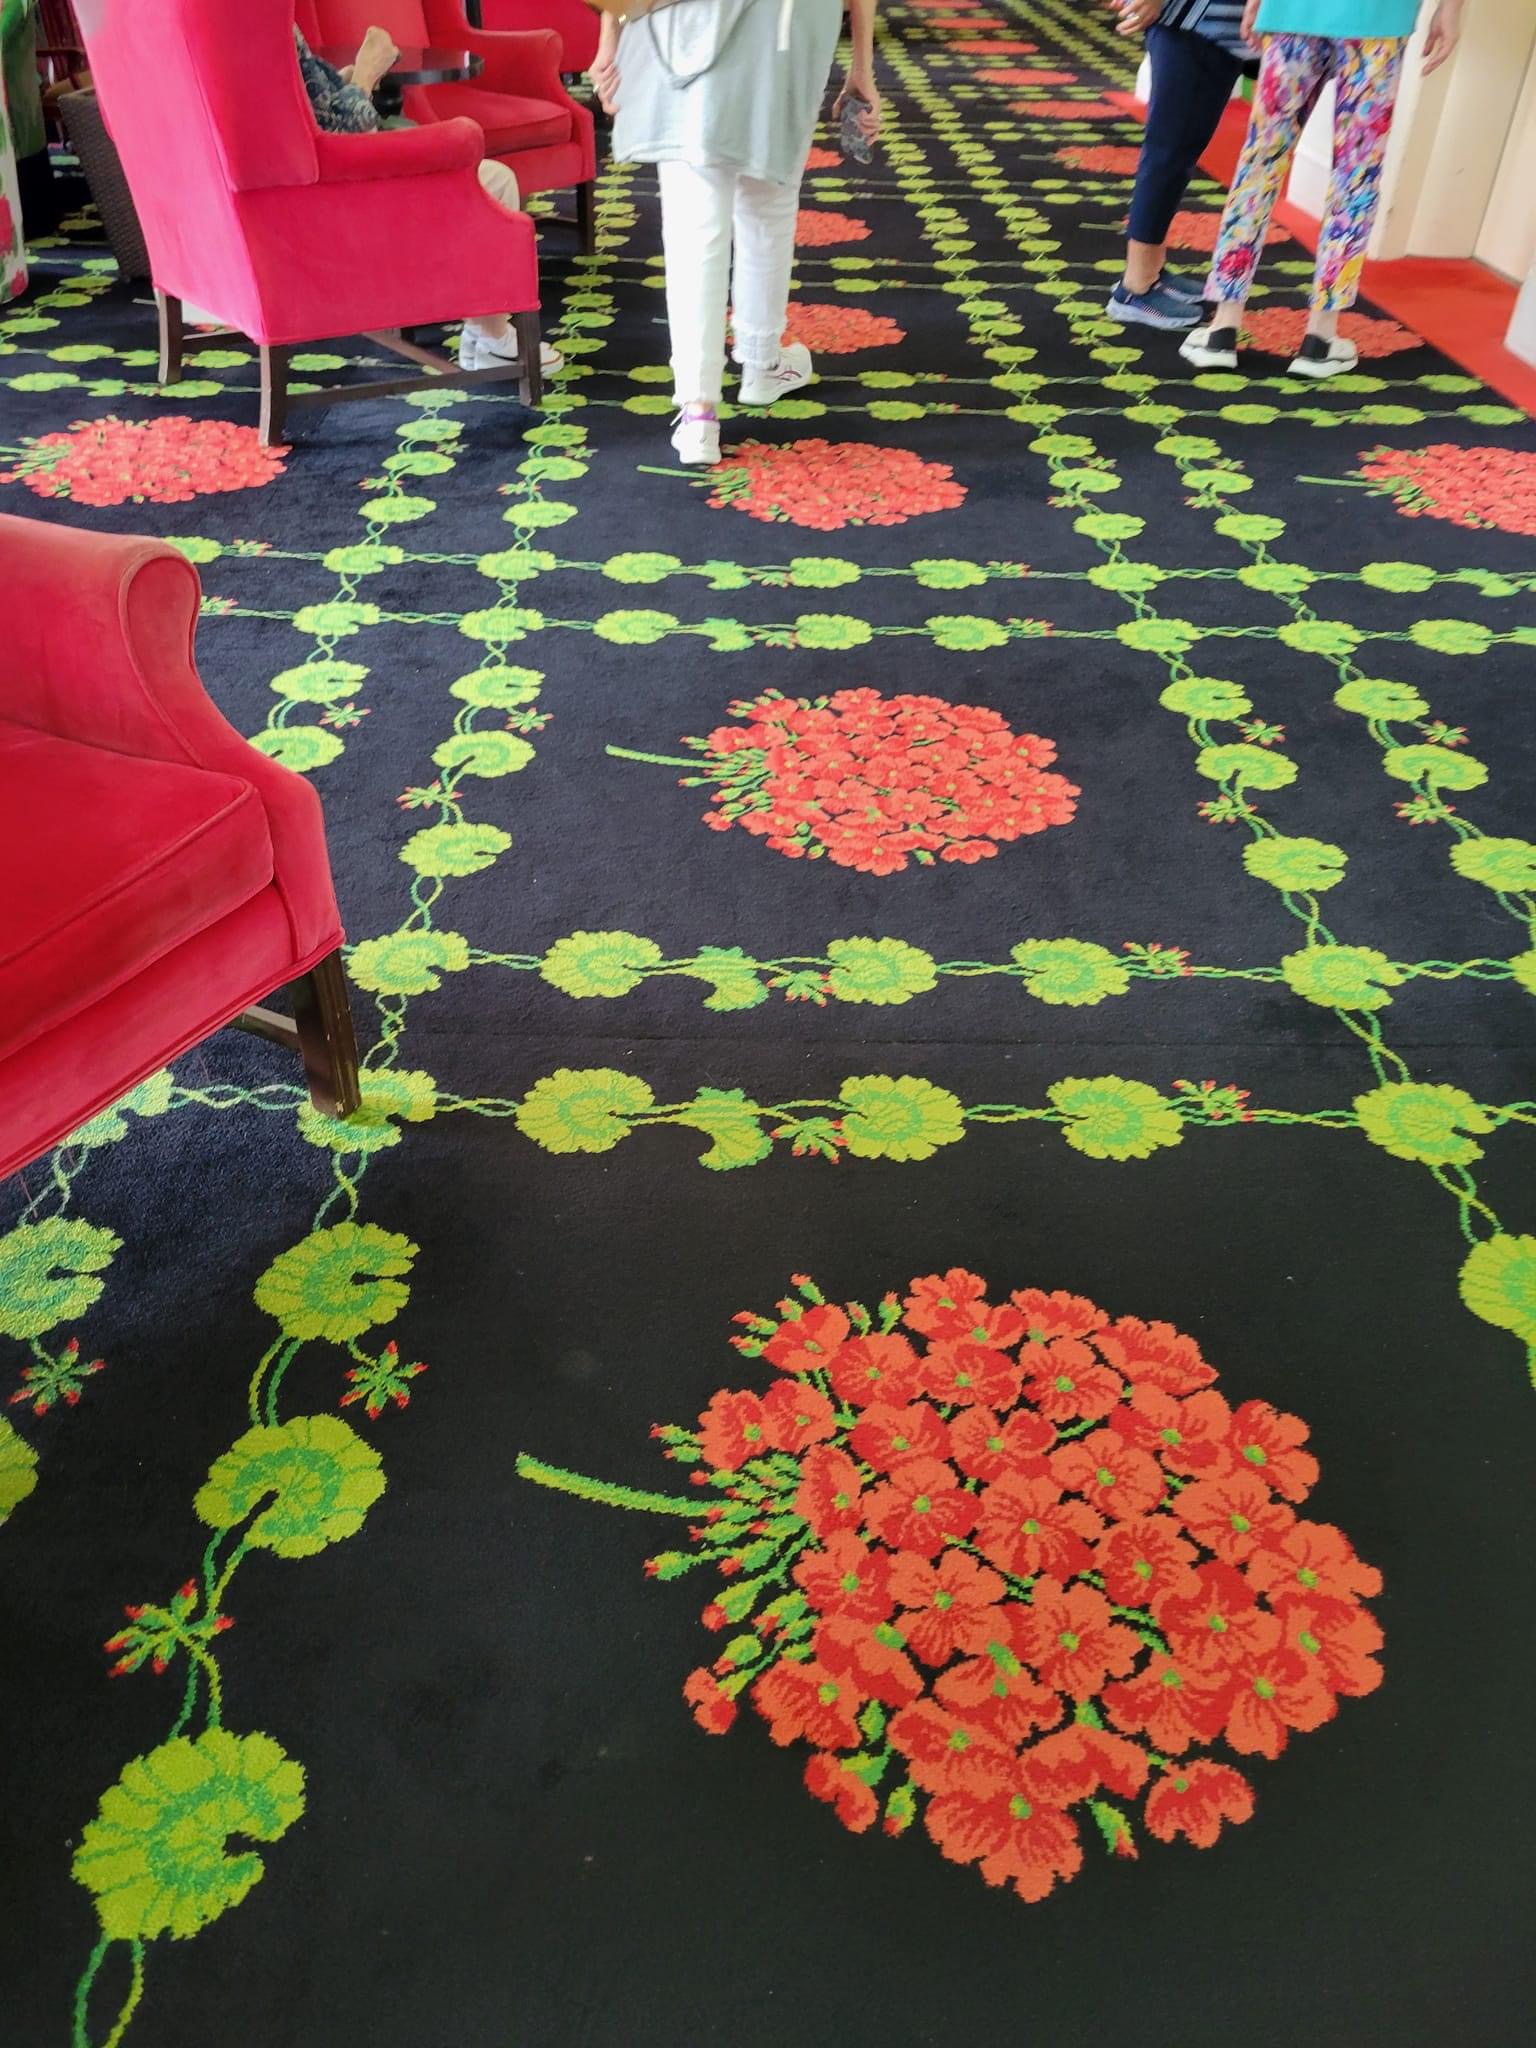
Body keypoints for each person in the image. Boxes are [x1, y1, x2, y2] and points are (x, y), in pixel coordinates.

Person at [591, 0, 881, 464]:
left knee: (693, 222)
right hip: (785, 29)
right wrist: (862, 65)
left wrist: (610, 36)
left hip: (684, 28)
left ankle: (698, 411)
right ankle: (761, 361)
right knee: (770, 195)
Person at [1181, 0, 1464, 377]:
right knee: (1356, 174)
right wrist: (1450, 9)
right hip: (1379, 21)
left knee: (1261, 160)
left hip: (1294, 13)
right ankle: (1321, 337)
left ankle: (1223, 326)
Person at [293, 23, 560, 376]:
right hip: (341, 201)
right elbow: (340, 130)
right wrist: (367, 72)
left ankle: (485, 333)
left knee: (489, 175)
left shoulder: (239, 30)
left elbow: (308, 111)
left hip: (307, 193)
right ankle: (493, 337)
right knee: (491, 181)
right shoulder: (274, 26)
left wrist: (347, 82)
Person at [1106, 0, 1260, 331]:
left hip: (1212, 27)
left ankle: (1151, 271)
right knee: (1168, 154)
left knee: (1179, 153)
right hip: (1193, 24)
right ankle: (1135, 287)